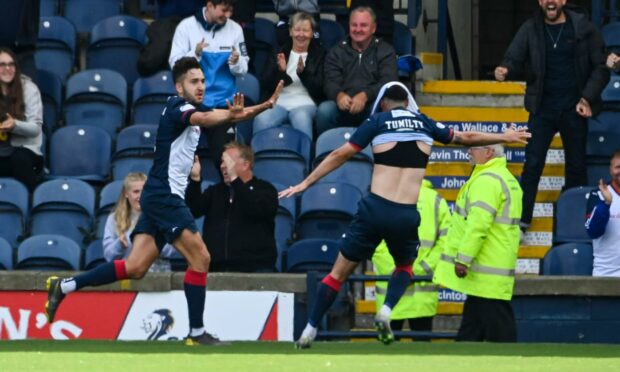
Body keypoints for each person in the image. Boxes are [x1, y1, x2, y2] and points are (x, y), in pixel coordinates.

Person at [44, 57, 283, 346]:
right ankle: (196, 333)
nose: (201, 86)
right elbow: (209, 119)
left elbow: (225, 114)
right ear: (179, 86)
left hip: (159, 196)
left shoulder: (195, 108)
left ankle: (65, 285)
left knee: (135, 267)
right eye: (194, 81)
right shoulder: (176, 107)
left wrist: (266, 105)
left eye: (203, 81)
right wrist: (231, 115)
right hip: (165, 195)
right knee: (202, 258)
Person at [279, 81, 531, 348]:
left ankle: (310, 328)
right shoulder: (424, 123)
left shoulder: (377, 122)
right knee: (404, 267)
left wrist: (307, 182)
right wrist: (504, 136)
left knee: (337, 274)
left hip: (374, 208)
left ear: (384, 104)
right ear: (408, 103)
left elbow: (341, 154)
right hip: (405, 213)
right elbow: (466, 138)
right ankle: (387, 310)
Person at [494, 0, 609, 234]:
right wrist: (505, 69)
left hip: (573, 108)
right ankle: (523, 220)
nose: (550, 2)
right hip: (542, 109)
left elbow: (600, 67)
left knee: (576, 167)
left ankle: (575, 221)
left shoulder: (582, 27)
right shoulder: (530, 28)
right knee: (532, 165)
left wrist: (587, 98)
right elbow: (514, 56)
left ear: (564, 1)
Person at [434, 144, 522, 343]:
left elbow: (478, 225)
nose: (469, 152)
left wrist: (463, 259)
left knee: (500, 335)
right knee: (471, 332)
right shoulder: (505, 178)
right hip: (492, 268)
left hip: (486, 270)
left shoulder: (487, 181)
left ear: (489, 152)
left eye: (474, 147)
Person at [169, 0, 251, 170]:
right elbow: (174, 64)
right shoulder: (186, 27)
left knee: (227, 164)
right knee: (181, 161)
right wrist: (195, 54)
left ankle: (228, 196)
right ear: (210, 5)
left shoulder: (235, 29)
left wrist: (235, 62)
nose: (228, 16)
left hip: (223, 106)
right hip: (192, 104)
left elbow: (243, 70)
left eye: (230, 11)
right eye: (223, 10)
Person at [371, 179, 451, 337]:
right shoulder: (435, 201)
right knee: (422, 352)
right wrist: (420, 269)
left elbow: (374, 241)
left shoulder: (382, 198)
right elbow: (446, 241)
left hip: (392, 289)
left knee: (386, 353)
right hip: (421, 292)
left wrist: (398, 270)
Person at [185, 142, 278, 272]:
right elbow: (194, 210)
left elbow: (255, 208)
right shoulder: (215, 191)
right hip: (216, 269)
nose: (222, 166)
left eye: (228, 162)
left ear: (246, 164)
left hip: (255, 270)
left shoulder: (265, 190)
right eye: (222, 162)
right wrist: (195, 180)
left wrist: (235, 180)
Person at [316, 6, 398, 136]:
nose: (358, 29)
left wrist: (365, 95)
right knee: (324, 110)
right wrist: (338, 95)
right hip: (343, 106)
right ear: (349, 26)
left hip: (372, 106)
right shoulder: (337, 51)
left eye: (364, 25)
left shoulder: (385, 51)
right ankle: (326, 152)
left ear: (373, 28)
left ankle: (379, 154)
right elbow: (329, 81)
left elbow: (388, 82)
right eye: (354, 25)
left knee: (387, 109)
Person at [254, 11, 325, 140]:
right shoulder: (279, 51)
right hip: (278, 103)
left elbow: (321, 89)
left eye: (305, 30)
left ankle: (304, 159)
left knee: (301, 119)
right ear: (290, 31)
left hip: (306, 103)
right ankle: (258, 159)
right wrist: (281, 72)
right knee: (261, 119)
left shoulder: (320, 55)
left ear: (312, 33)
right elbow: (265, 83)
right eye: (297, 30)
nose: (301, 35)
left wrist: (304, 74)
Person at [103, 172, 175, 272]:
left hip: (157, 277)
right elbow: (108, 256)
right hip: (127, 276)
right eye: (136, 191)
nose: (141, 196)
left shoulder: (161, 216)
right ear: (126, 194)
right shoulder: (114, 219)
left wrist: (155, 242)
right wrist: (119, 244)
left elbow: (172, 250)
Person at [0, 47, 43, 192]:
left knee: (19, 157)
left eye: (11, 64)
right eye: (2, 65)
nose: (7, 68)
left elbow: (35, 129)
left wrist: (15, 125)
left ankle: (30, 203)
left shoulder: (29, 89)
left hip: (26, 153)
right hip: (2, 155)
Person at [585, 149, 620, 277]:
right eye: (618, 167)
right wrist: (606, 204)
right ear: (611, 170)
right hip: (606, 275)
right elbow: (593, 231)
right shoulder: (598, 194)